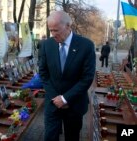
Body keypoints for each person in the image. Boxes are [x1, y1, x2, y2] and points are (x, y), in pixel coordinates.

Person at [39, 11, 95, 141]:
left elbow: (86, 78)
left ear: (69, 26)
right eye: (50, 30)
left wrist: (65, 99)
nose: (53, 34)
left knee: (72, 137)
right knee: (50, 137)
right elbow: (43, 73)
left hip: (74, 105)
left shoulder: (86, 46)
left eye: (56, 30)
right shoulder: (47, 45)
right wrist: (56, 98)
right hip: (52, 104)